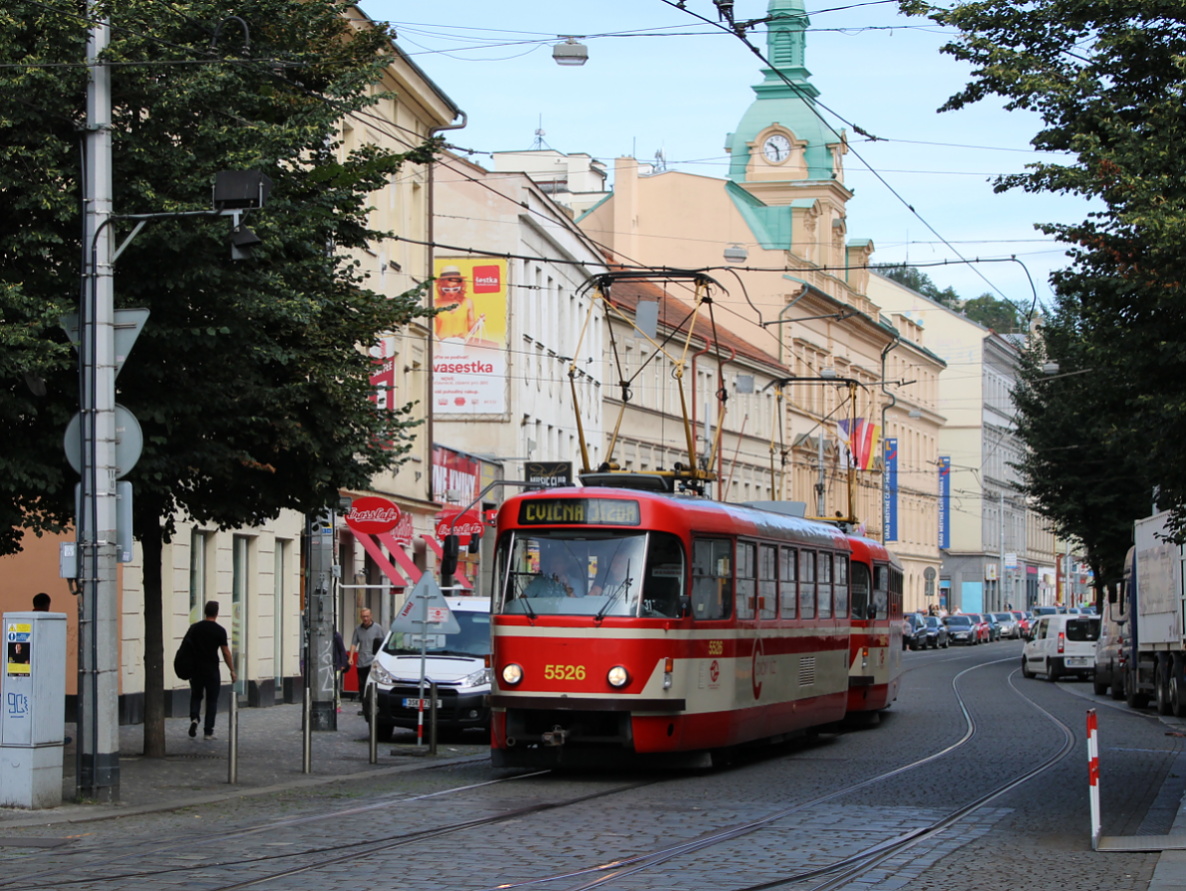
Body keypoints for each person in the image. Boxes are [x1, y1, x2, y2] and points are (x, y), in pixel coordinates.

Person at [186, 600, 235, 741]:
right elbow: (226, 652)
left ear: (205, 611)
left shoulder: (195, 628)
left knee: (196, 695)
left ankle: (194, 718)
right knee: (212, 700)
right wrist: (232, 669)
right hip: (212, 669)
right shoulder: (219, 631)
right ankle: (208, 731)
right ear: (217, 613)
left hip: (196, 668)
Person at [349, 608, 386, 713]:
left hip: (373, 662)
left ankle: (374, 707)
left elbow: (382, 644)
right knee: (362, 686)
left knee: (373, 685)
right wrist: (351, 657)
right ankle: (365, 708)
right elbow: (353, 643)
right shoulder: (358, 629)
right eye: (363, 616)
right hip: (362, 662)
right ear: (361, 617)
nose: (365, 618)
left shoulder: (378, 628)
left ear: (371, 616)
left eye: (367, 616)